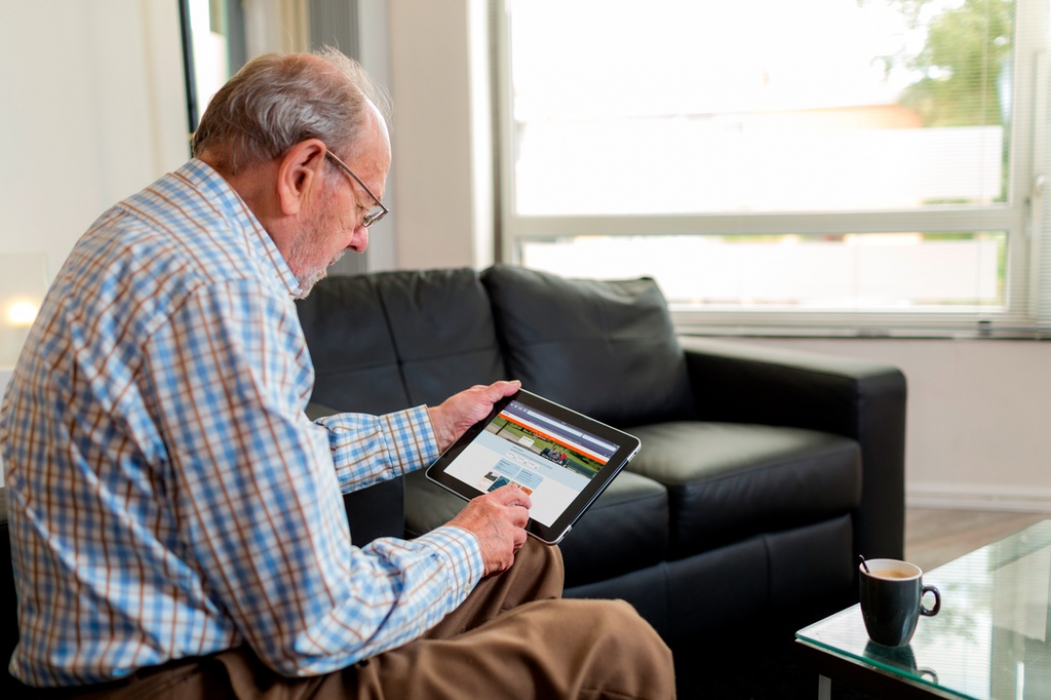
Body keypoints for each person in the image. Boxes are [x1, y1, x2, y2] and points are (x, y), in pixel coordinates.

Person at [0, 48, 675, 698]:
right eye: (363, 205)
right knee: (612, 641)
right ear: (301, 171)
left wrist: (434, 428)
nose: (360, 239)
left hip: (196, 633)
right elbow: (313, 624)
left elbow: (251, 465)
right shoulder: (221, 291)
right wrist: (462, 542)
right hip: (179, 677)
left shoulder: (147, 231)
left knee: (523, 556)